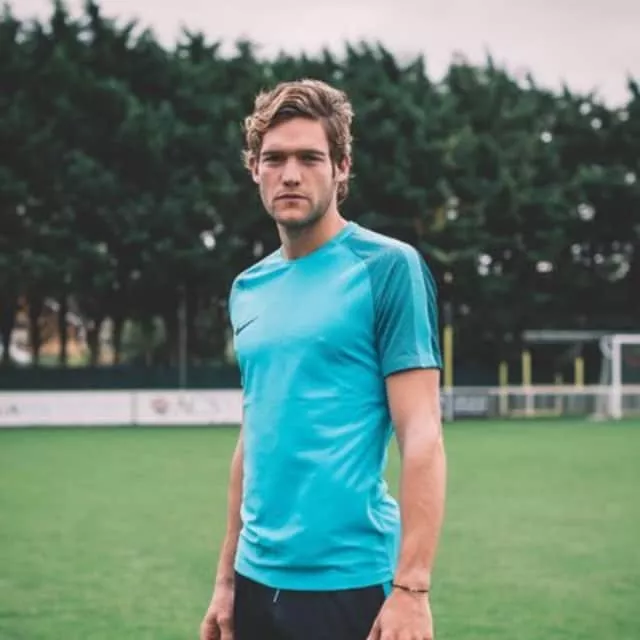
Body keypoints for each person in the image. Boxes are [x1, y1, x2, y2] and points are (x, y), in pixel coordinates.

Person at [200, 78, 446, 640]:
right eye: (274, 158)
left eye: (309, 158)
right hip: (253, 581)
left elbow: (422, 432)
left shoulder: (388, 268)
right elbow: (253, 435)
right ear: (254, 169)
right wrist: (226, 579)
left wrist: (412, 588)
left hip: (349, 584)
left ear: (341, 167)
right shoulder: (247, 287)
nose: (290, 174)